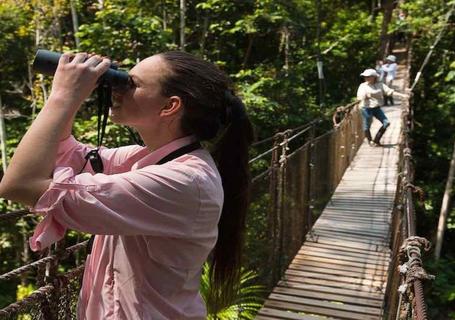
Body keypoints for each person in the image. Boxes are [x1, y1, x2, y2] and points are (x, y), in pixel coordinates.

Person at [0, 51, 254, 319]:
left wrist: (63, 96)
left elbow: (20, 184)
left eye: (131, 84)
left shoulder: (183, 181)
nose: (117, 89)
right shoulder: (148, 158)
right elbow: (62, 152)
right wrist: (73, 93)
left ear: (169, 106)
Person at [357, 68, 408, 146]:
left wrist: (402, 96)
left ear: (374, 77)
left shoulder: (380, 85)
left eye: (368, 76)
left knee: (386, 123)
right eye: (365, 77)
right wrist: (365, 96)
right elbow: (359, 97)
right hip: (366, 108)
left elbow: (390, 92)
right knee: (367, 125)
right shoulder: (363, 86)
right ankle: (370, 141)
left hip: (376, 107)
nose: (366, 78)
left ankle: (377, 140)